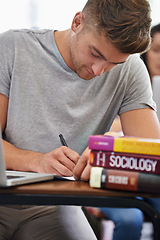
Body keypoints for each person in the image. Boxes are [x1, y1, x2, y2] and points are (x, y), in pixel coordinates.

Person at [0, 0, 160, 240]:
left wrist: (109, 153)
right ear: (77, 22)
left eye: (114, 63)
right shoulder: (12, 47)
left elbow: (152, 157)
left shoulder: (130, 71)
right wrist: (38, 161)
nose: (99, 70)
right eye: (95, 53)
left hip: (57, 203)